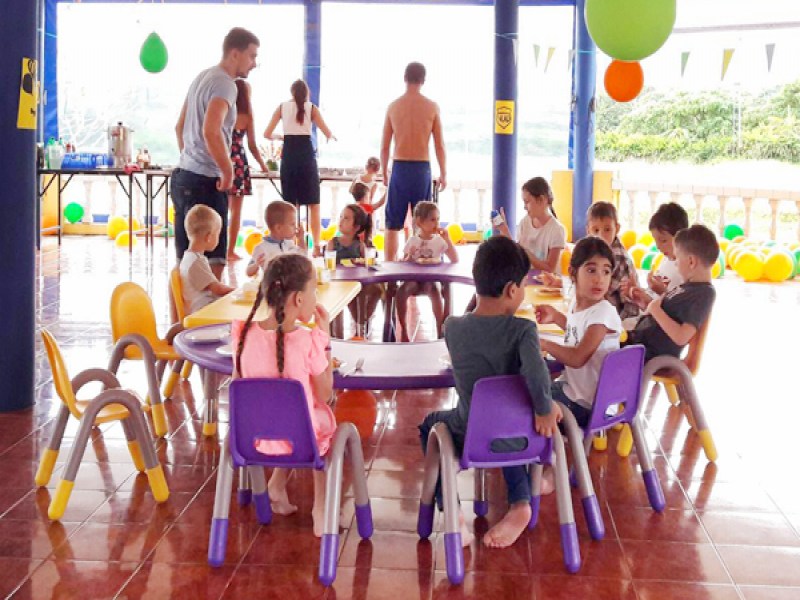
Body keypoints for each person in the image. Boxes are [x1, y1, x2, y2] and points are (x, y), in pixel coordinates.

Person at [419, 237, 562, 549]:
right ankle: (520, 503)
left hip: (471, 432)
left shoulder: (452, 328)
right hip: (521, 435)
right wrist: (544, 408)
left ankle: (453, 510)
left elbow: (472, 324)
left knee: (430, 424)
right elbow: (536, 372)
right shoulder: (524, 331)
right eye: (523, 286)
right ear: (512, 290)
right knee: (505, 418)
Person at [231, 253, 335, 537]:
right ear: (299, 299)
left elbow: (239, 384)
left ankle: (276, 486)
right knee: (322, 421)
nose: (316, 298)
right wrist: (324, 341)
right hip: (301, 444)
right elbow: (326, 393)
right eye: (314, 291)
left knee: (291, 415)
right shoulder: (307, 341)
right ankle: (320, 508)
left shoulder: (241, 335)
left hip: (252, 441)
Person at [173, 27, 260, 279]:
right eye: (252, 56)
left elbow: (179, 127)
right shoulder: (226, 84)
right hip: (206, 182)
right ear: (235, 53)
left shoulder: (202, 77)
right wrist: (227, 170)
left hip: (184, 175)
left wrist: (191, 158)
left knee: (185, 261)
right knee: (214, 262)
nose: (254, 63)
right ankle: (209, 307)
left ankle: (182, 307)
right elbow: (211, 130)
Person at [535, 237, 623, 427]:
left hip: (587, 406)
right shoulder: (579, 304)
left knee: (528, 403)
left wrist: (544, 344)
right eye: (591, 270)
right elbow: (579, 331)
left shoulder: (603, 313)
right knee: (531, 390)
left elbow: (577, 358)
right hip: (576, 393)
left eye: (606, 271)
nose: (599, 279)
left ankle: (551, 444)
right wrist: (556, 317)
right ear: (573, 273)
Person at [380, 62, 447, 262]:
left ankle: (390, 266)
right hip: (421, 169)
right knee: (422, 221)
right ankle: (420, 263)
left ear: (405, 78)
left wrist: (384, 172)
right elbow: (439, 145)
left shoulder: (393, 107)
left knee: (392, 224)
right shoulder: (432, 107)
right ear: (423, 80)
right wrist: (443, 173)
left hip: (399, 167)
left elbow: (384, 147)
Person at [626, 224, 718, 362]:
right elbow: (669, 314)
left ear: (691, 262)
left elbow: (681, 336)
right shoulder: (688, 287)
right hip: (638, 342)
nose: (675, 264)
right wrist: (647, 303)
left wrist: (655, 310)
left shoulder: (703, 293)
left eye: (677, 259)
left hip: (648, 354)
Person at [264, 79, 336, 253]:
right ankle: (316, 246)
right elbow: (327, 132)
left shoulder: (282, 107)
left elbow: (267, 133)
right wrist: (330, 137)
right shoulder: (312, 108)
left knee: (290, 205)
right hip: (306, 157)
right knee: (314, 203)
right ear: (307, 93)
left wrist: (281, 137)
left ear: (291, 92)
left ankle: (290, 245)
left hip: (289, 156)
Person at [396, 201, 458, 342]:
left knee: (434, 290)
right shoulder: (412, 241)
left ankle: (440, 329)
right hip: (413, 280)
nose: (436, 223)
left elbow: (454, 259)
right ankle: (404, 329)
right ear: (419, 222)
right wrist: (408, 257)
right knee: (401, 291)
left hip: (430, 280)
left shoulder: (439, 241)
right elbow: (404, 262)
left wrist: (447, 239)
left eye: (438, 219)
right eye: (432, 220)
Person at [227, 79, 269, 261]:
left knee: (220, 209)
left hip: (222, 159)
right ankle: (230, 251)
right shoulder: (247, 116)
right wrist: (263, 165)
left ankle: (216, 248)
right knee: (236, 211)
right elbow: (252, 145)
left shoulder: (224, 112)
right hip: (239, 161)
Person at [327, 204, 382, 338]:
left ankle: (362, 322)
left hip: (358, 283)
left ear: (356, 227)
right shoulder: (333, 243)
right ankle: (342, 332)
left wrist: (362, 260)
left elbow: (367, 263)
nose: (341, 220)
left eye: (346, 218)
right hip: (338, 283)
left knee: (376, 290)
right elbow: (328, 263)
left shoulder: (360, 245)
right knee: (346, 297)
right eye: (341, 217)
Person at [622, 202, 689, 308]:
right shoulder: (666, 260)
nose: (658, 246)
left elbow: (677, 310)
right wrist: (637, 290)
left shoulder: (685, 271)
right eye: (655, 240)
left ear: (681, 238)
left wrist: (662, 292)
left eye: (663, 240)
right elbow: (652, 297)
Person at [496, 177, 566, 273]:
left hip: (546, 281)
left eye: (527, 202)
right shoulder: (524, 223)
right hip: (526, 278)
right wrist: (504, 230)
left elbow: (550, 269)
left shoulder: (557, 230)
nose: (524, 207)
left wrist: (526, 253)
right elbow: (517, 256)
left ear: (541, 200)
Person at [179, 205, 235, 314]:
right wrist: (238, 291)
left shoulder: (189, 258)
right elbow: (218, 289)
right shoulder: (196, 262)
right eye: (217, 234)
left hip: (203, 308)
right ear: (209, 237)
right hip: (202, 311)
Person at [245, 200, 304, 278]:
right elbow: (248, 272)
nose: (295, 227)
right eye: (292, 224)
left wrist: (301, 239)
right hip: (272, 284)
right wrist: (256, 265)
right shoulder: (262, 248)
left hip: (289, 282)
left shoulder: (289, 244)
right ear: (278, 228)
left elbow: (303, 257)